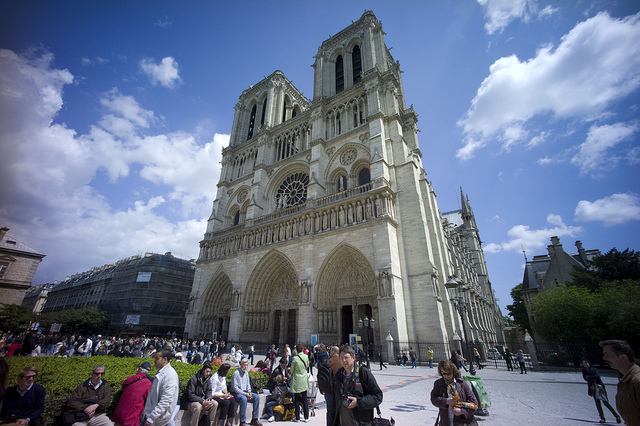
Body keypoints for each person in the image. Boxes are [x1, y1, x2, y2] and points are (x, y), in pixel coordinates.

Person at [333, 345, 383, 425]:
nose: (343, 360)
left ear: (353, 357)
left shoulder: (363, 372)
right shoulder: (339, 375)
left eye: (346, 357)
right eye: (341, 358)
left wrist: (358, 402)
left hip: (360, 422)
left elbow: (378, 396)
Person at [600, 339, 640, 425]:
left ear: (623, 356)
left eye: (607, 354)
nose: (604, 358)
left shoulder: (637, 381)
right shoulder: (626, 381)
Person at [431, 360, 478, 425]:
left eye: (449, 373)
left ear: (453, 372)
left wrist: (462, 411)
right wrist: (446, 401)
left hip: (463, 422)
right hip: (446, 421)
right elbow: (434, 399)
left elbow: (474, 403)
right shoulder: (438, 383)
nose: (446, 376)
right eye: (444, 373)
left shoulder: (462, 383)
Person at [143, 350, 179, 426]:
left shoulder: (170, 375)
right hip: (152, 416)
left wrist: (151, 418)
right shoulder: (162, 372)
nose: (154, 361)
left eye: (157, 358)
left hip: (157, 419)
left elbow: (166, 400)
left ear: (165, 359)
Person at [112, 362, 153, 426]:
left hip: (119, 415)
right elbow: (149, 401)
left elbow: (123, 385)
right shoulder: (148, 383)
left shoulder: (130, 378)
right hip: (132, 418)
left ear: (139, 369)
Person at [581, 360, 620, 424]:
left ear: (589, 363)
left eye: (586, 363)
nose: (585, 364)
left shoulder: (594, 369)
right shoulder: (584, 371)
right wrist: (591, 378)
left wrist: (589, 377)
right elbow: (585, 378)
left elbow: (597, 376)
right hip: (593, 388)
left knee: (606, 403)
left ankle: (616, 416)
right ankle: (602, 418)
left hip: (600, 387)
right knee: (598, 404)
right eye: (583, 363)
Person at [231, 358, 262, 426]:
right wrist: (246, 394)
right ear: (241, 365)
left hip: (245, 392)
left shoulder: (246, 373)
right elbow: (235, 388)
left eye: (247, 365)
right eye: (244, 365)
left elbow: (248, 384)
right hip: (237, 393)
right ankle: (242, 422)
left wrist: (250, 392)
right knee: (244, 399)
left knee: (256, 397)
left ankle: (254, 419)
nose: (245, 367)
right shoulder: (236, 373)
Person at [290, 344, 309, 422]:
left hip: (297, 380)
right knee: (305, 399)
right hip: (304, 379)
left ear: (296, 350)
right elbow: (307, 366)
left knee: (296, 399)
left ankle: (297, 418)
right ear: (302, 349)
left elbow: (292, 370)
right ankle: (306, 417)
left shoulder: (295, 358)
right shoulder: (306, 356)